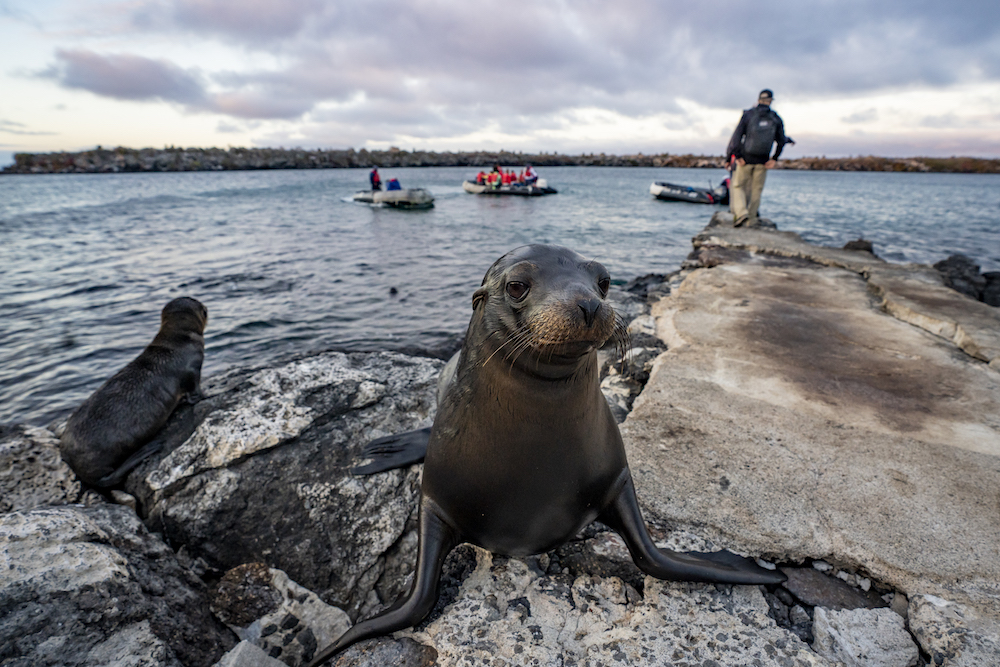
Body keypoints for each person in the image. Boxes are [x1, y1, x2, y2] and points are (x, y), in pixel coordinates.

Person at [725, 89, 788, 227]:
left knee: (737, 186)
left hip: (746, 159)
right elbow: (782, 140)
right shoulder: (775, 118)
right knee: (756, 190)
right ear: (770, 101)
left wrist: (737, 155)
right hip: (763, 160)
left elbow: (737, 137)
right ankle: (751, 219)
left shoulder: (748, 115)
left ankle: (741, 214)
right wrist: (774, 158)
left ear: (759, 100)